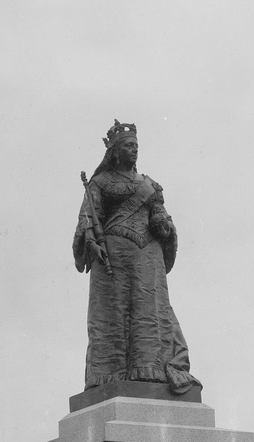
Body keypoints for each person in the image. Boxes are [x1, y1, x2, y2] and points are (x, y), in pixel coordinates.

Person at [73, 120, 202, 395]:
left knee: (148, 309)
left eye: (136, 145)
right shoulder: (99, 183)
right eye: (128, 146)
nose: (134, 150)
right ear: (115, 152)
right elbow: (88, 217)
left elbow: (160, 215)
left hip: (146, 256)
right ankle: (109, 374)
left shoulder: (149, 185)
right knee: (113, 314)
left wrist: (162, 223)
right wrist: (92, 242)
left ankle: (149, 369)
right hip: (113, 255)